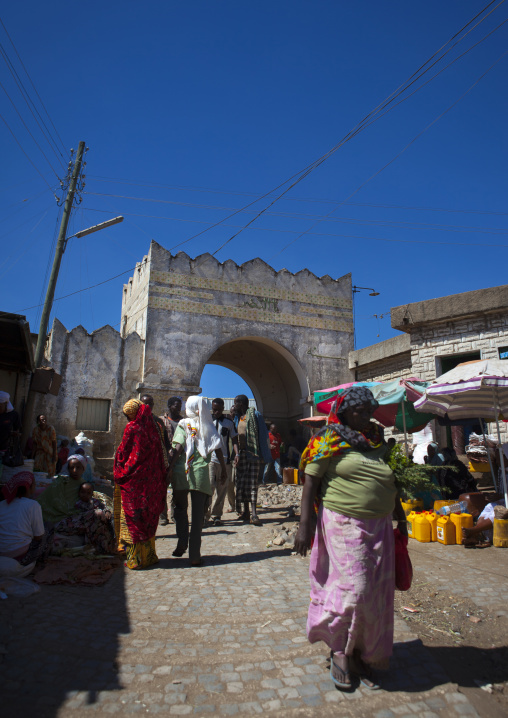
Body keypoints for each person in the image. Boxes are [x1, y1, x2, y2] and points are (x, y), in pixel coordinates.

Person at [294, 386, 407, 691]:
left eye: (370, 409)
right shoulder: (328, 439)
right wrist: (305, 525)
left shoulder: (377, 440)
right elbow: (310, 482)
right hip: (344, 523)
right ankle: (340, 651)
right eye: (360, 410)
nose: (367, 415)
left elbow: (390, 477)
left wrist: (401, 516)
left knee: (377, 595)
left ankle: (364, 653)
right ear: (344, 413)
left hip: (380, 525)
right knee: (355, 590)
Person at [167, 396, 227, 566]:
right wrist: (222, 468)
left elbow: (177, 447)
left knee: (179, 509)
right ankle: (194, 554)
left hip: (181, 472)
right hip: (200, 473)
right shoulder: (207, 425)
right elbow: (218, 448)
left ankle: (182, 542)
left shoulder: (183, 423)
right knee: (198, 515)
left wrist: (169, 468)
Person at [113, 399, 167, 569]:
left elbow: (124, 452)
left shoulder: (132, 428)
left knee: (133, 519)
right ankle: (149, 556)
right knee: (148, 518)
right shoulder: (155, 428)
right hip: (152, 482)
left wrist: (119, 468)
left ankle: (134, 559)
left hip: (134, 482)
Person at [233, 395, 272, 526]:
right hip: (241, 455)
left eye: (236, 403)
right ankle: (245, 512)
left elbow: (263, 435)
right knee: (242, 483)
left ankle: (254, 513)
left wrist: (264, 456)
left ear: (241, 403)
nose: (234, 406)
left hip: (253, 454)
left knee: (252, 483)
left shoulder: (256, 415)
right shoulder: (237, 418)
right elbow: (234, 437)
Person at [0, 471, 53, 566]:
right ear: (30, 487)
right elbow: (38, 536)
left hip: (1, 552)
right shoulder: (33, 505)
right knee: (48, 527)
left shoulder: (2, 504)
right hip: (20, 556)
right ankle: (42, 561)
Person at [54, 478, 116, 554]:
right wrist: (97, 513)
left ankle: (107, 546)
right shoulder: (78, 503)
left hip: (96, 523)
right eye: (82, 492)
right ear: (79, 493)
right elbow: (81, 517)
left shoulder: (95, 501)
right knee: (98, 514)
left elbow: (104, 507)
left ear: (91, 494)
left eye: (88, 493)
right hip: (84, 524)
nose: (85, 495)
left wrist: (107, 512)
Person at [205, 398, 238, 525]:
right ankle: (205, 514)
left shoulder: (228, 423)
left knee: (222, 489)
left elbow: (234, 440)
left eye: (219, 409)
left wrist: (236, 453)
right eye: (214, 409)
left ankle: (216, 515)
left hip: (225, 461)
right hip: (211, 460)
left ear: (223, 407)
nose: (217, 412)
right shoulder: (208, 422)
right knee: (209, 487)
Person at [159, 396, 183, 526]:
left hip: (179, 460)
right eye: (176, 406)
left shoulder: (184, 422)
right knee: (163, 489)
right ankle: (163, 516)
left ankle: (175, 515)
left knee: (177, 489)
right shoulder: (161, 421)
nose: (178, 409)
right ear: (169, 406)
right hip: (165, 459)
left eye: (180, 406)